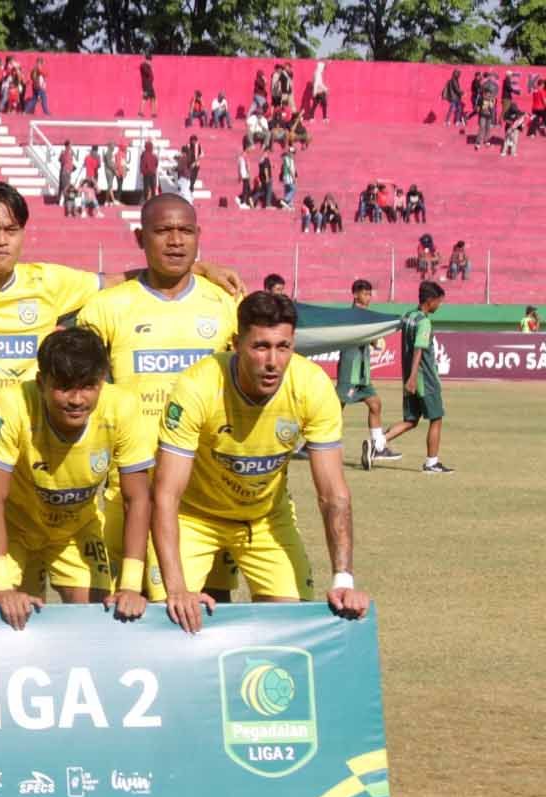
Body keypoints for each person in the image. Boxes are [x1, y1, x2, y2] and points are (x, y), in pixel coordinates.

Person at [0, 181, 245, 603]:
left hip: (26, 479)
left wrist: (199, 269)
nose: (2, 240)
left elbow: (127, 279)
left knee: (23, 611)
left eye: (12, 229)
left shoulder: (51, 282)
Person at [153, 292, 369, 634]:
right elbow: (165, 494)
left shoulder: (312, 386)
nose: (273, 361)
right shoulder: (198, 386)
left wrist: (343, 577)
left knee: (290, 625)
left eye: (283, 347)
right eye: (260, 347)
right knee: (167, 617)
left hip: (265, 520)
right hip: (194, 519)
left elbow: (333, 493)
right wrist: (176, 588)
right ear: (236, 343)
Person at [76, 193, 241, 604]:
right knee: (130, 604)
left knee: (213, 602)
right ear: (140, 237)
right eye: (163, 231)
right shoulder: (106, 308)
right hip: (134, 484)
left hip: (210, 488)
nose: (175, 241)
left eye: (185, 231)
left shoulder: (226, 304)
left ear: (198, 236)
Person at [0, 328, 155, 629]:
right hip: (13, 527)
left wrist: (130, 585)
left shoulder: (122, 406)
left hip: (76, 529)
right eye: (64, 388)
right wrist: (2, 587)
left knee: (102, 622)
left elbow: (137, 499)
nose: (76, 399)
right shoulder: (13, 403)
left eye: (87, 387)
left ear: (102, 382)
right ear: (41, 382)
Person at [377, 282, 452, 473]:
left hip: (410, 377)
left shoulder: (409, 316)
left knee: (411, 420)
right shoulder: (424, 322)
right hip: (424, 378)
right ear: (429, 301)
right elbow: (419, 348)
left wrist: (409, 378)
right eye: (438, 301)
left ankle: (377, 443)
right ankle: (431, 463)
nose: (440, 305)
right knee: (436, 418)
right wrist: (413, 377)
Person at [333, 279, 399, 469]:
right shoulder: (350, 315)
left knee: (375, 404)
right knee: (335, 408)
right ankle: (313, 443)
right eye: (365, 294)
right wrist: (372, 339)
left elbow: (369, 339)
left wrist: (374, 340)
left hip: (363, 373)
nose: (369, 297)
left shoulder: (367, 316)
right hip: (350, 369)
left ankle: (377, 446)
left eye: (370, 294)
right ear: (355, 295)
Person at [138, 53, 156, 118]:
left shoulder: (149, 66)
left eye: (150, 60)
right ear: (146, 60)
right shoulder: (143, 65)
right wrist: (149, 66)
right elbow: (147, 73)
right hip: (146, 85)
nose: (149, 61)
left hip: (150, 85)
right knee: (144, 98)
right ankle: (140, 112)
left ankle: (153, 113)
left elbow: (151, 75)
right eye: (149, 60)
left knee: (153, 98)